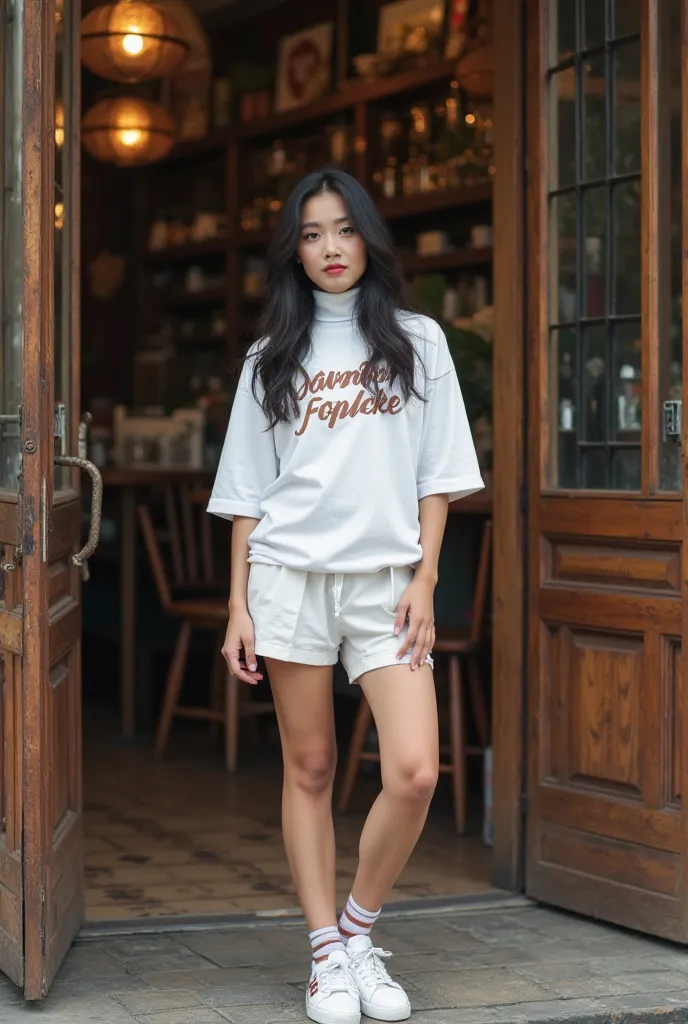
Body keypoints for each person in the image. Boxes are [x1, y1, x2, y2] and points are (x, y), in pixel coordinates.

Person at [208, 167, 483, 1024]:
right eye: (313, 233)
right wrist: (237, 606)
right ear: (295, 249)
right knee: (313, 767)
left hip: (386, 586)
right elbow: (249, 494)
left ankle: (358, 930)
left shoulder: (418, 340)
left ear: (369, 236)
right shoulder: (271, 356)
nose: (330, 248)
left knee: (412, 770)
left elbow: (438, 477)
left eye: (344, 230)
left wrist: (427, 579)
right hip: (288, 579)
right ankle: (325, 953)